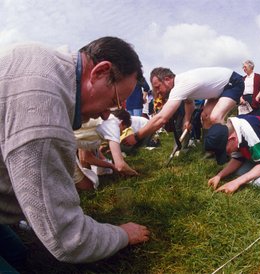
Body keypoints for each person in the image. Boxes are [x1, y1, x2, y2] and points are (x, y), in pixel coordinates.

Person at [0, 37, 150, 271]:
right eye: (113, 102)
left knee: (20, 256)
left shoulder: (40, 57)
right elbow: (68, 239)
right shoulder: (44, 114)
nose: (105, 116)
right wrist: (122, 235)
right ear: (100, 72)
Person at [132, 67, 244, 144]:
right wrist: (187, 121)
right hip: (218, 91)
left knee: (215, 117)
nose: (158, 92)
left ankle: (237, 136)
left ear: (167, 79)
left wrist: (137, 136)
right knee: (205, 117)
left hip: (232, 83)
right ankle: (208, 149)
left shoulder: (181, 86)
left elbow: (162, 118)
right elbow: (189, 103)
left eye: (158, 87)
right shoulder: (182, 86)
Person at [74, 109, 139, 190]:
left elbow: (86, 157)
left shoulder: (101, 122)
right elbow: (120, 166)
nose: (121, 133)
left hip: (66, 143)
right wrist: (135, 174)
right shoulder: (113, 124)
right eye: (123, 129)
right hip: (62, 144)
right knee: (87, 187)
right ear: (121, 123)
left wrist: (111, 166)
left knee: (85, 184)